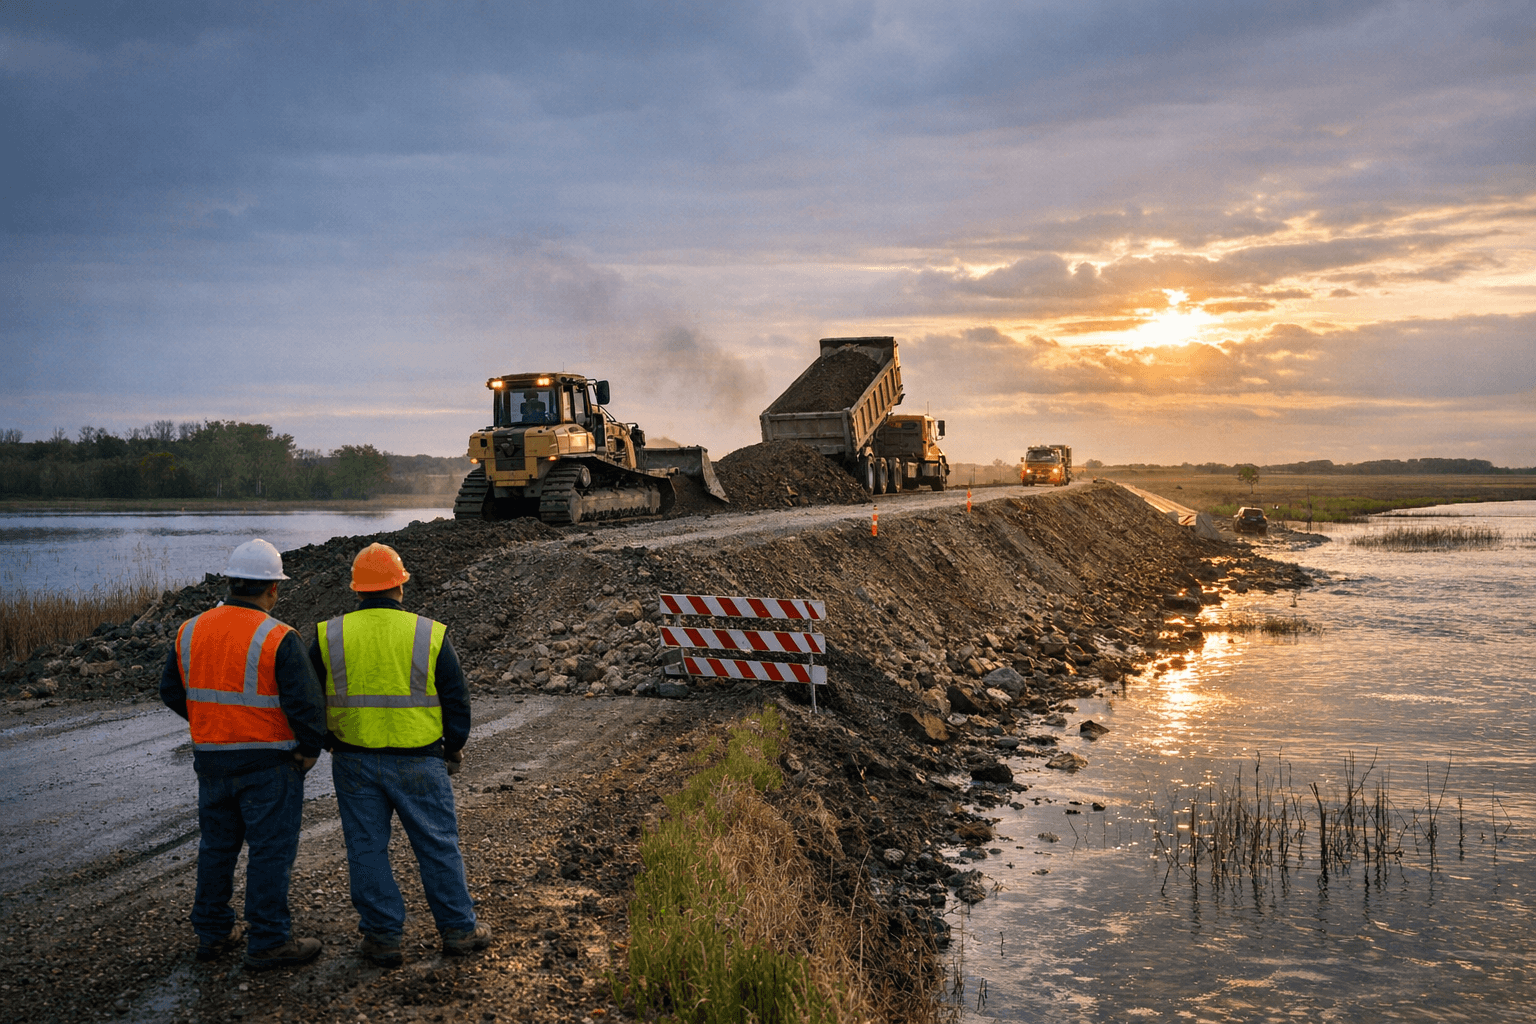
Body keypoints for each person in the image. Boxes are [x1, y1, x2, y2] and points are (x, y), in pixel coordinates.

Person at [310, 542, 489, 968]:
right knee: (438, 845)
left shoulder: (327, 634)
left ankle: (383, 938)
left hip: (352, 760)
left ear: (357, 590)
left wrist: (326, 740)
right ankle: (460, 931)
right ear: (400, 587)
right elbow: (456, 699)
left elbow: (309, 701)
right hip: (420, 759)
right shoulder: (430, 633)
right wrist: (454, 745)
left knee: (366, 848)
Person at [160, 538, 327, 971]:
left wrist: (211, 724)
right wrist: (309, 749)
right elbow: (306, 704)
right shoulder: (278, 636)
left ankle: (213, 934)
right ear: (273, 588)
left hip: (212, 762)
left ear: (232, 582)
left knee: (217, 848)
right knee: (270, 852)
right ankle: (269, 940)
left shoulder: (190, 629)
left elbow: (171, 692)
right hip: (269, 764)